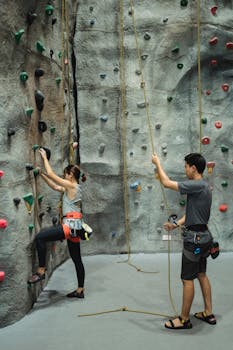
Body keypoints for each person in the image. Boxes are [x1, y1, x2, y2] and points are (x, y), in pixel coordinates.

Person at [151, 152, 216, 329]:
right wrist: (177, 224)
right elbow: (193, 213)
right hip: (204, 238)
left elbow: (166, 183)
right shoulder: (205, 186)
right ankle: (208, 312)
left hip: (194, 241)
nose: (185, 169)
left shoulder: (195, 185)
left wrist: (157, 162)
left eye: (186, 166)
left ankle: (184, 319)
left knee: (187, 280)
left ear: (193, 168)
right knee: (201, 274)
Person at [28, 148, 92, 299]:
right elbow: (55, 186)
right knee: (77, 259)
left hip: (70, 226)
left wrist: (44, 159)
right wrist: (41, 174)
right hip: (75, 227)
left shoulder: (73, 186)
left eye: (65, 174)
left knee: (40, 238)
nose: (64, 176)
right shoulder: (72, 188)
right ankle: (80, 290)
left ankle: (41, 270)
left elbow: (53, 175)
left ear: (70, 175)